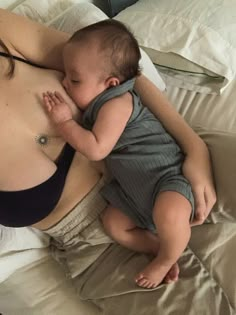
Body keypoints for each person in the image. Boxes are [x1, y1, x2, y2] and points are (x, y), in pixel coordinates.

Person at [0, 7, 215, 307]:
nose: (67, 83)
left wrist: (195, 148)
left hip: (168, 160)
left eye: (71, 81)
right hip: (102, 245)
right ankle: (163, 252)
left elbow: (119, 69)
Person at [42, 20, 209, 289]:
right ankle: (157, 246)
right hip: (134, 194)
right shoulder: (100, 101)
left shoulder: (117, 104)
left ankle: (167, 258)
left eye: (74, 79)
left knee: (170, 215)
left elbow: (96, 149)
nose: (65, 82)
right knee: (114, 223)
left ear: (111, 83)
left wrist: (65, 123)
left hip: (166, 179)